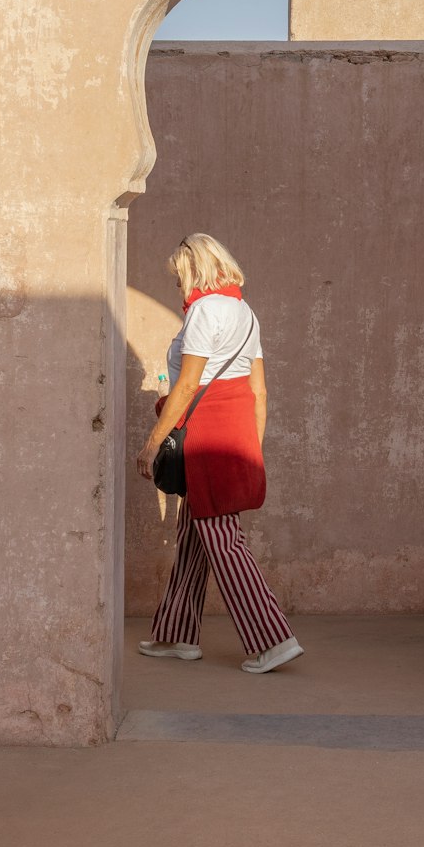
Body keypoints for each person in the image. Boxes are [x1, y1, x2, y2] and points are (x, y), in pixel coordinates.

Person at [135, 233, 303, 674]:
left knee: (223, 539)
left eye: (178, 277)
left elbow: (188, 385)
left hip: (207, 432)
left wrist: (152, 442)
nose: (178, 287)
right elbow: (259, 390)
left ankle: (273, 639)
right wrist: (251, 447)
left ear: (194, 269)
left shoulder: (204, 312)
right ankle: (176, 634)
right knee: (198, 531)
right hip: (236, 430)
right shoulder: (245, 313)